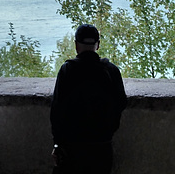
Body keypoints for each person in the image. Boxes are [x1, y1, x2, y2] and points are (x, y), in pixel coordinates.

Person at [50, 24, 127, 174]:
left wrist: (57, 144)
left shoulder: (67, 70)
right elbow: (121, 102)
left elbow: (57, 111)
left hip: (72, 148)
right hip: (102, 147)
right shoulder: (111, 70)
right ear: (97, 45)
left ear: (76, 46)